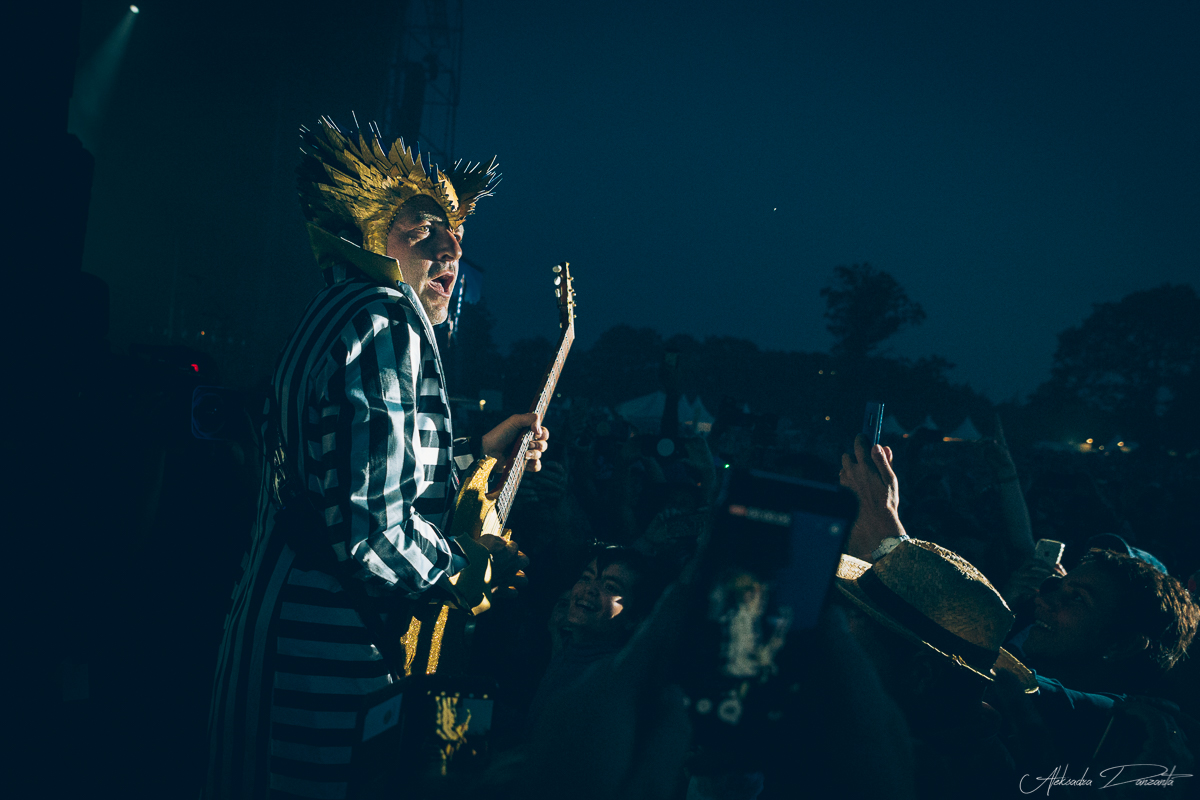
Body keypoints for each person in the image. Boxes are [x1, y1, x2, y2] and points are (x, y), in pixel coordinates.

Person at [204, 117, 549, 800]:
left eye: (457, 234)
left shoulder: (336, 310)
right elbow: (375, 532)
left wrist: (480, 452)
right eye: (424, 229)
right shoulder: (386, 319)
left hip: (276, 636)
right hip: (322, 660)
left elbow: (350, 473)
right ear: (369, 235)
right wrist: (467, 568)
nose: (452, 247)